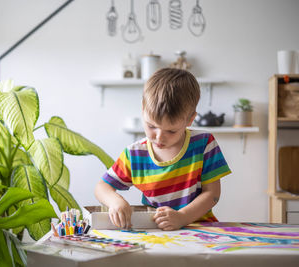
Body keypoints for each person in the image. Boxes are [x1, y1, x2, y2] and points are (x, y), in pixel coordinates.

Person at [94, 68, 231, 231]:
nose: (159, 137)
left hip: (200, 230)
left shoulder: (204, 144)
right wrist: (115, 201)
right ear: (143, 109)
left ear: (190, 119)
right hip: (155, 231)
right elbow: (102, 187)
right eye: (151, 126)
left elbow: (212, 195)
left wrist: (182, 217)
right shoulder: (135, 154)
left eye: (171, 131)